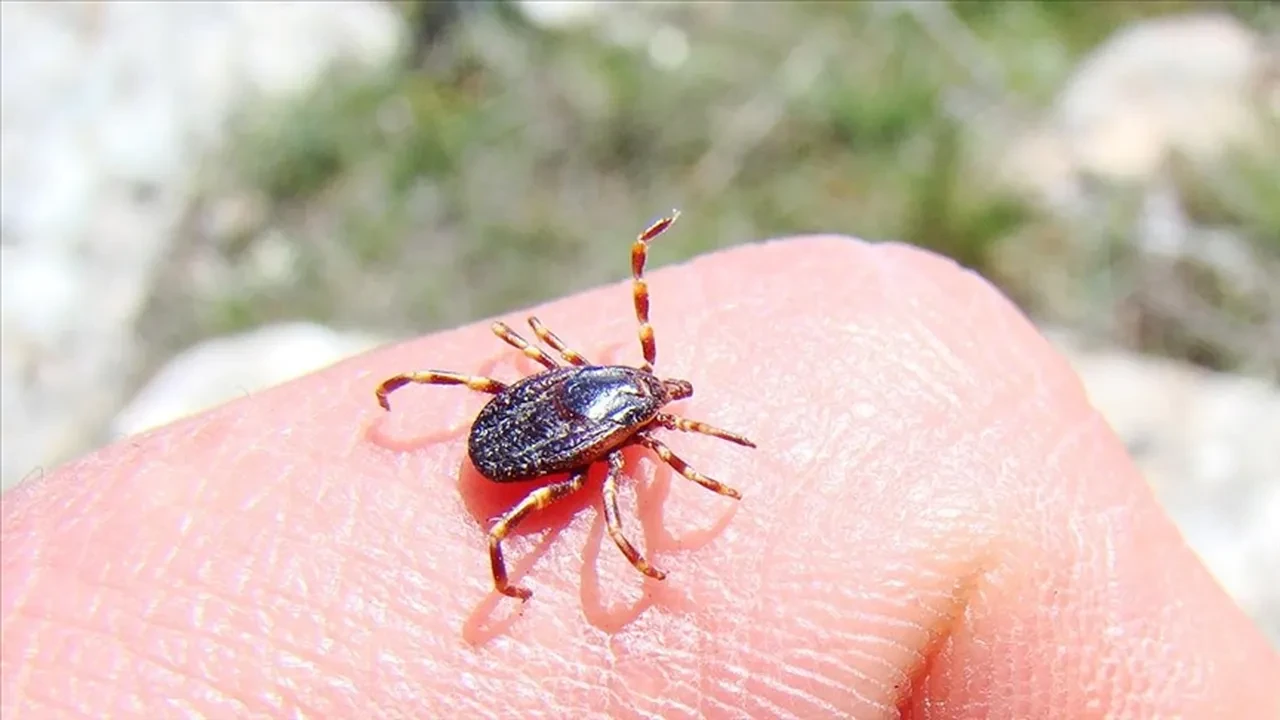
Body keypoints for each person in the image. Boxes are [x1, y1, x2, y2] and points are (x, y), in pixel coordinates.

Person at [2, 236, 1276, 718]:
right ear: (646, 406)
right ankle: (509, 548)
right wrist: (680, 513)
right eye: (664, 404)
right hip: (546, 435)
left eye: (664, 404)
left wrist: (660, 443)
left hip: (547, 416)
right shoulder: (621, 436)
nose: (671, 403)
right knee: (579, 509)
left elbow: (564, 376)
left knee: (551, 455)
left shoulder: (604, 386)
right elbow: (618, 487)